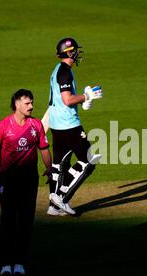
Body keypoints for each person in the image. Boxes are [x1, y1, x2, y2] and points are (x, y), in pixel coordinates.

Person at [0, 89, 52, 276]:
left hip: (29, 180)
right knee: (8, 221)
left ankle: (20, 262)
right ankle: (5, 263)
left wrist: (49, 167)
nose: (31, 106)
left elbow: (44, 148)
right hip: (8, 179)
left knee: (25, 221)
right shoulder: (2, 126)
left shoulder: (36, 125)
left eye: (31, 103)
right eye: (27, 103)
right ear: (17, 104)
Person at [45, 37, 102, 216]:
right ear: (69, 53)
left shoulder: (57, 70)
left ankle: (53, 206)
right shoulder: (65, 72)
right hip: (69, 125)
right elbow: (67, 99)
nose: (77, 53)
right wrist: (87, 96)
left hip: (57, 124)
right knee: (88, 160)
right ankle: (61, 197)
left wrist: (83, 100)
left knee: (59, 165)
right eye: (75, 51)